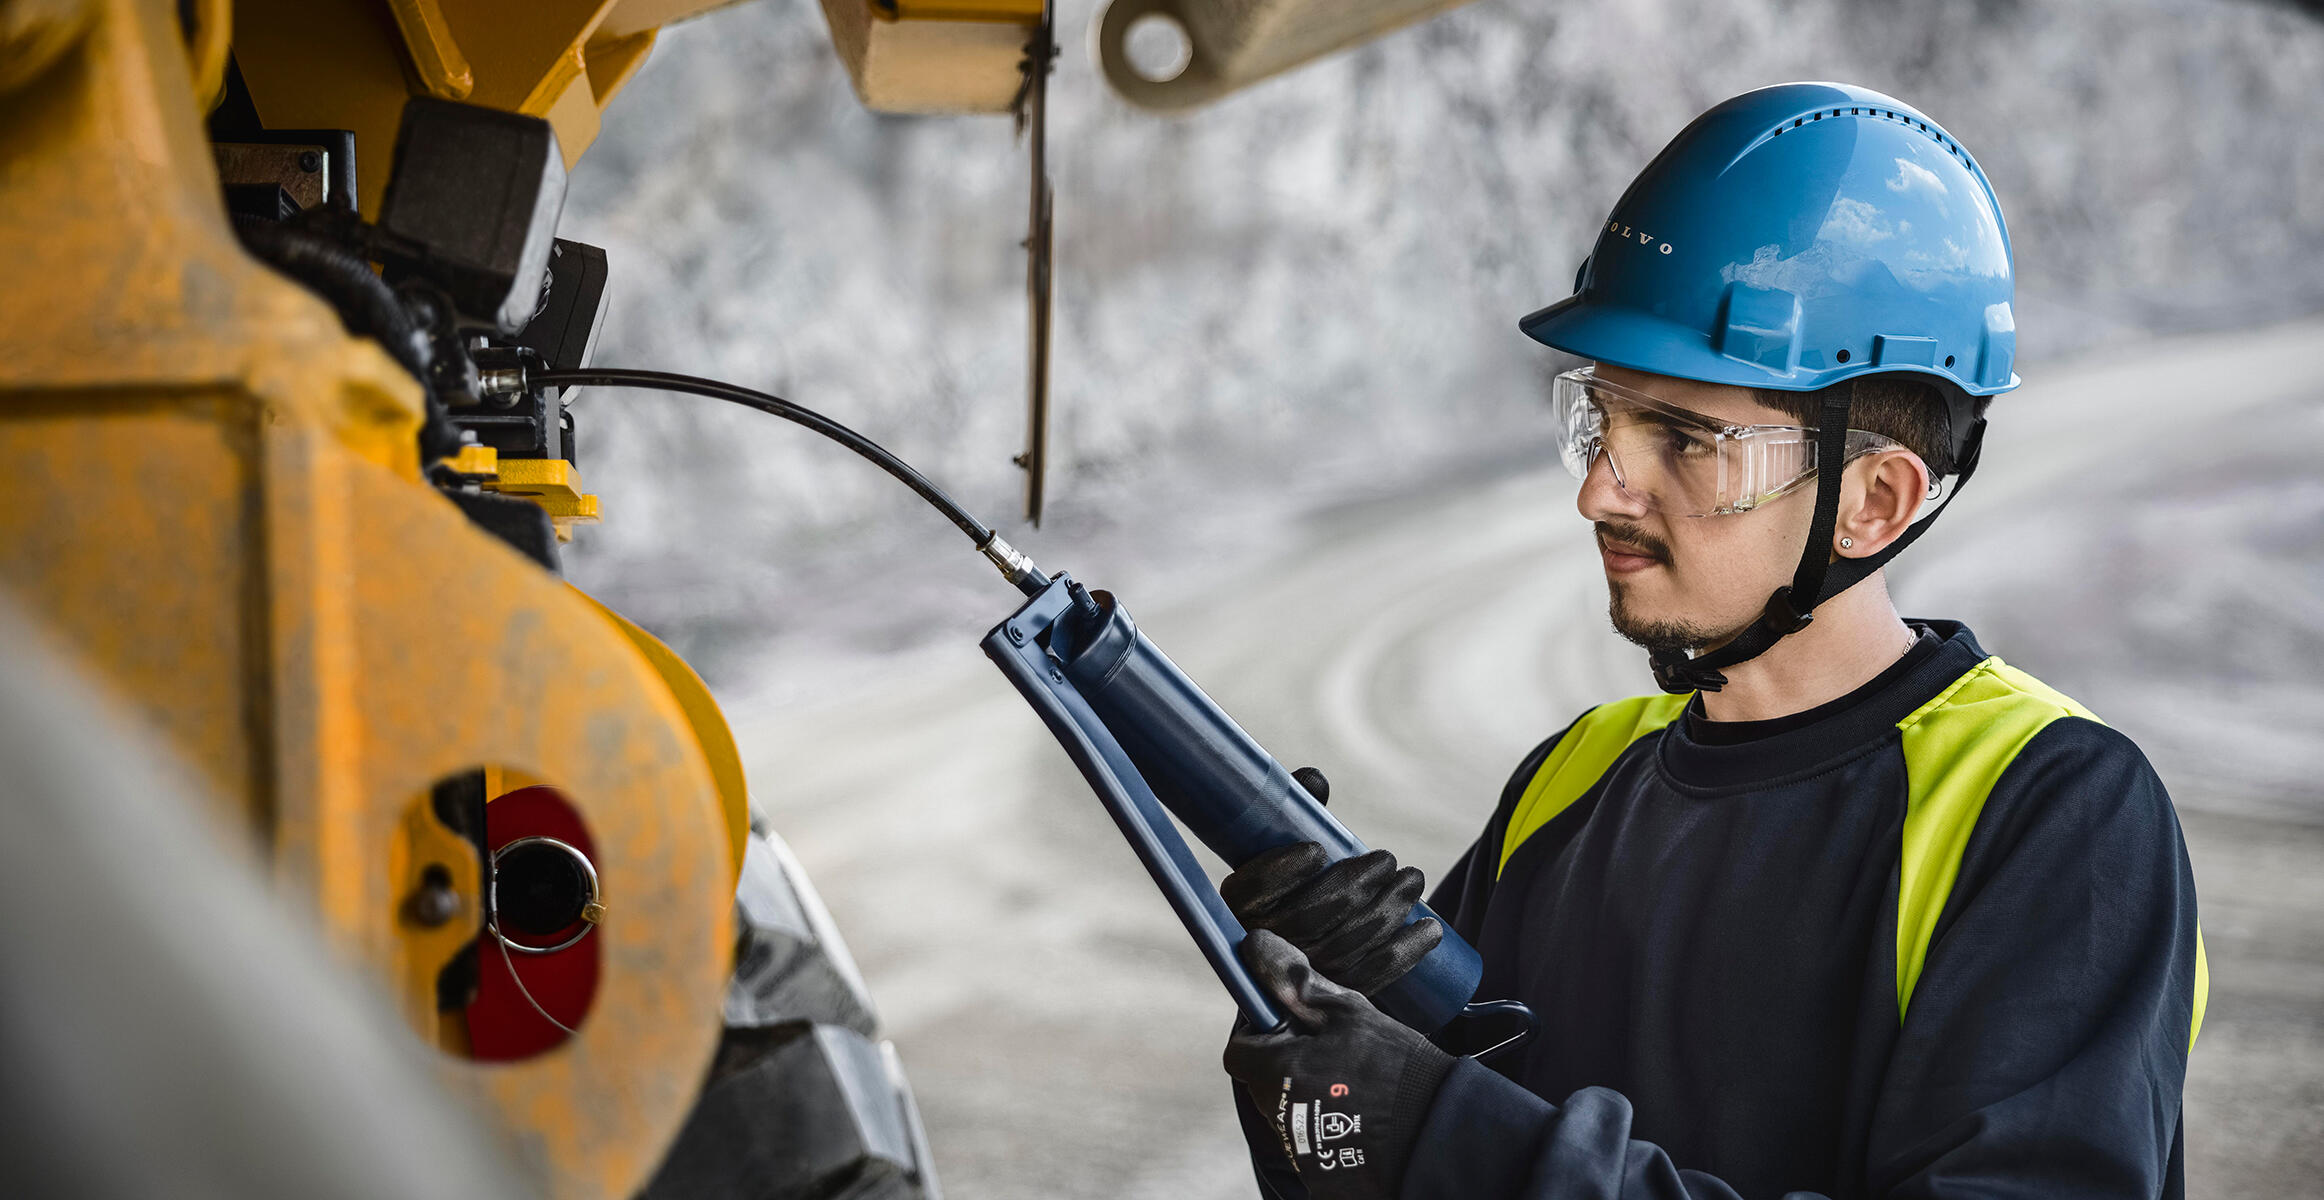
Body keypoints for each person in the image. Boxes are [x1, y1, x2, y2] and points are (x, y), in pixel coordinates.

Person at [1218, 81, 2208, 1200]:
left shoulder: (2049, 810)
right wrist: (1349, 1043)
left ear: (1871, 503)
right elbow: (1435, 1129)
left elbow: (1478, 1150)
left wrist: (1446, 1137)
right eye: (1599, 418)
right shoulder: (1571, 779)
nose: (1600, 488)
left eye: (1683, 438)